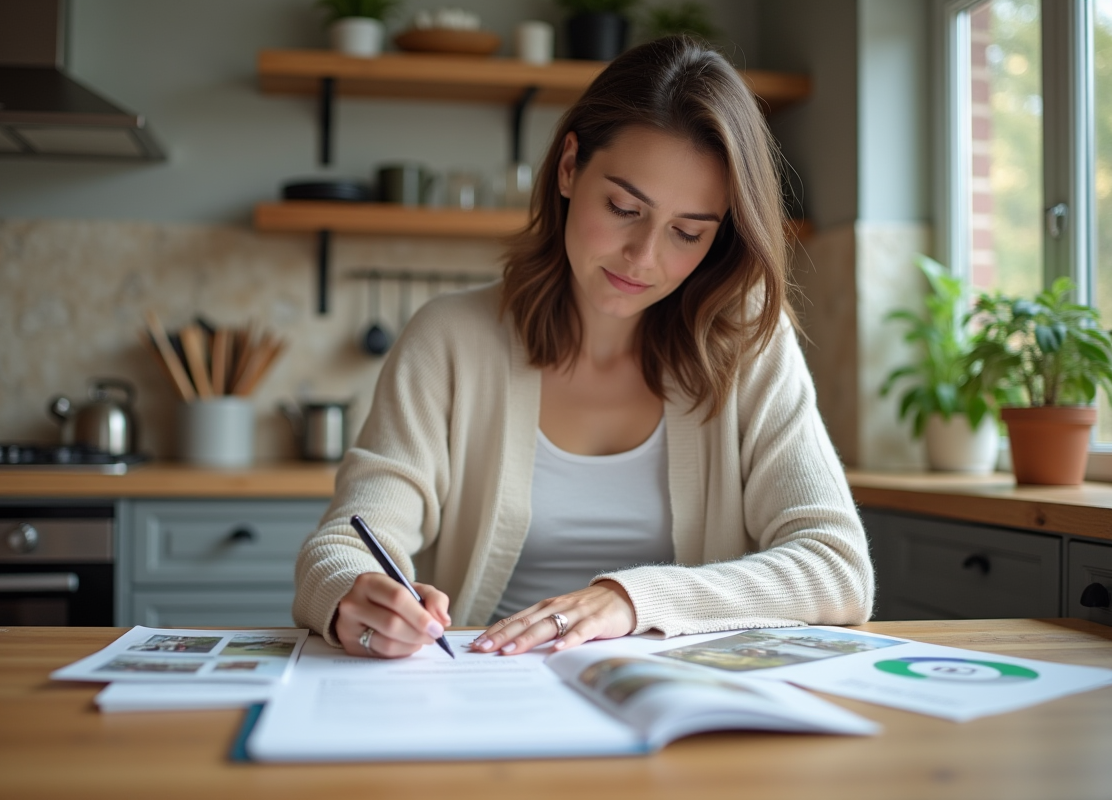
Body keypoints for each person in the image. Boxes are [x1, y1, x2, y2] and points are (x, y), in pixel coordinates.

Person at [292, 35, 873, 659]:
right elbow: (345, 542)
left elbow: (838, 567)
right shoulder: (449, 339)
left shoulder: (745, 341)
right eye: (624, 208)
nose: (644, 258)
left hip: (675, 701)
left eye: (687, 232)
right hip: (484, 688)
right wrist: (353, 591)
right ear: (570, 167)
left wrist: (630, 600)